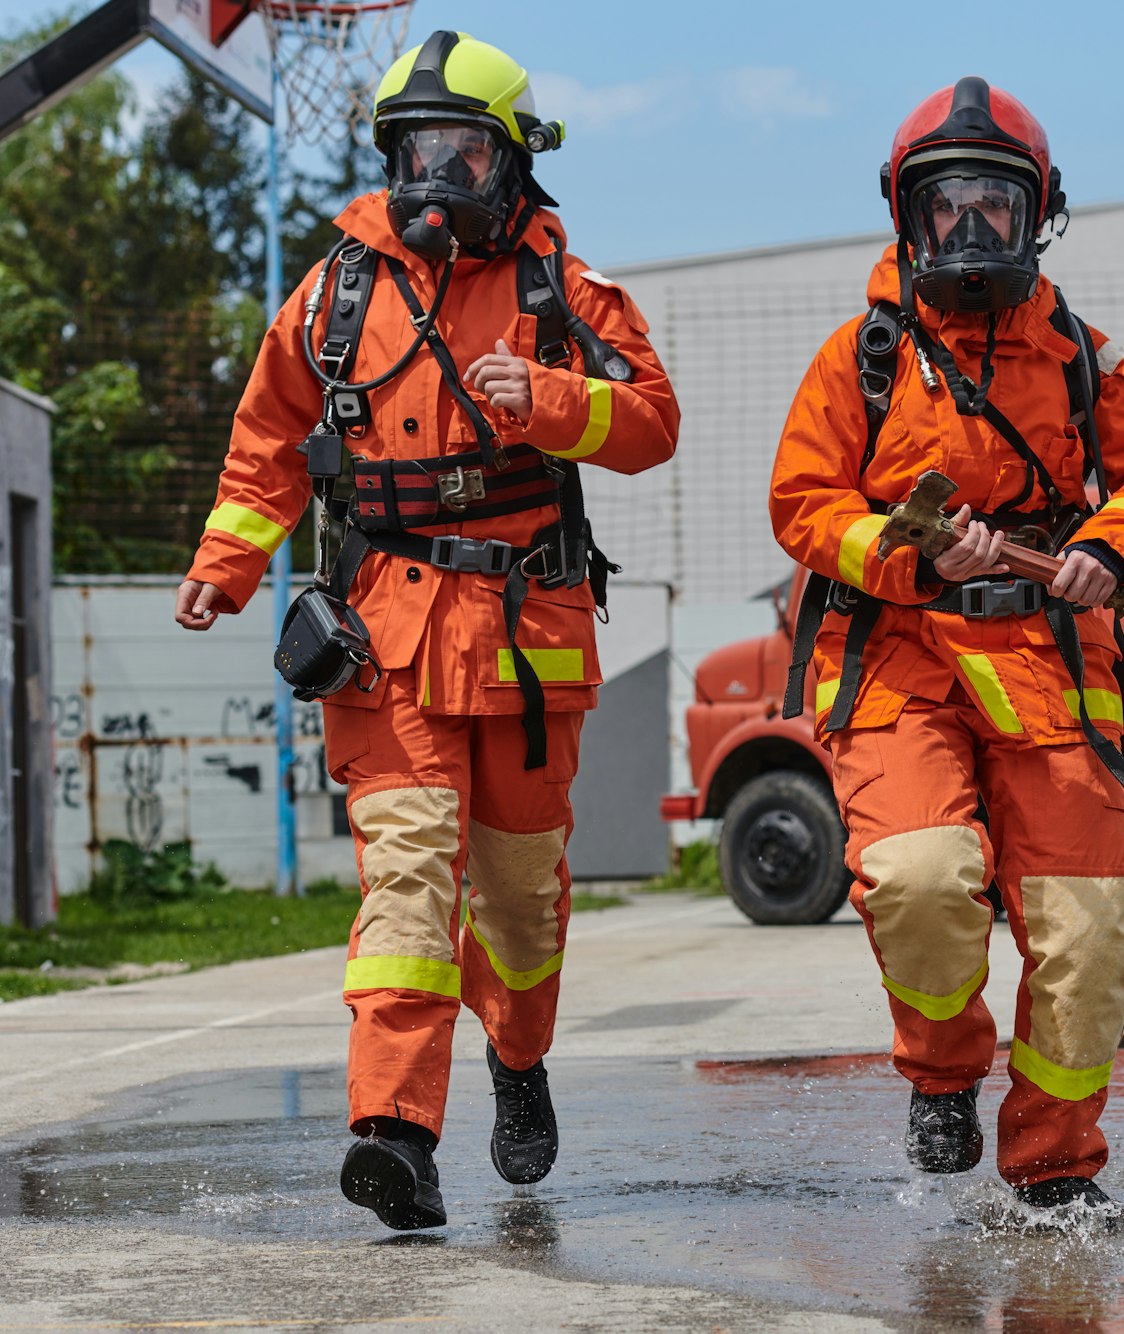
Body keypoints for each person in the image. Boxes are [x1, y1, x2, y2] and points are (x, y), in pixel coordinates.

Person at [174, 30, 678, 1231]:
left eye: (461, 148)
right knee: (406, 879)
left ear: (514, 163)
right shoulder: (336, 290)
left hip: (526, 637)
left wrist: (554, 401)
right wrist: (225, 563)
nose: (434, 173)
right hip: (384, 632)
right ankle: (393, 1133)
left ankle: (517, 1059)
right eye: (414, 148)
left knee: (519, 900)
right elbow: (265, 444)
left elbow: (653, 420)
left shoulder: (568, 292)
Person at [769, 76, 1124, 1223]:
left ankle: (1056, 1163)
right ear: (905, 216)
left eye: (993, 205)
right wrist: (915, 559)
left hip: (1047, 669)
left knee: (1087, 929)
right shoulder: (857, 360)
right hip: (899, 661)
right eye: (946, 204)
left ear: (1036, 214)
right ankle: (941, 1069)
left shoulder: (1079, 355)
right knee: (918, 879)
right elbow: (802, 504)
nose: (968, 229)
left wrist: (1112, 551)